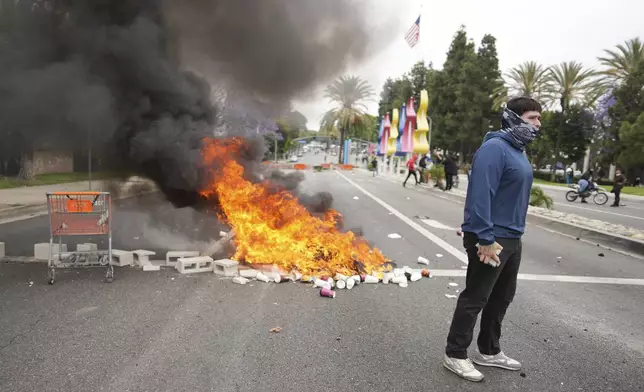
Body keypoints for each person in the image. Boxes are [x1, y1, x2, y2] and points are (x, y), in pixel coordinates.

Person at [443, 97, 542, 382]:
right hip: (491, 237)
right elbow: (480, 196)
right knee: (476, 296)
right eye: (533, 117)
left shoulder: (518, 151)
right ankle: (455, 353)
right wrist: (485, 238)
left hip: (512, 236)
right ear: (514, 117)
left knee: (501, 297)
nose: (538, 124)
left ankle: (488, 350)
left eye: (538, 118)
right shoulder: (495, 149)